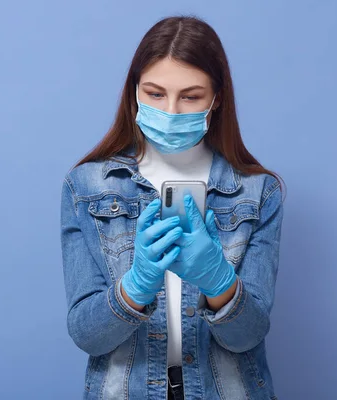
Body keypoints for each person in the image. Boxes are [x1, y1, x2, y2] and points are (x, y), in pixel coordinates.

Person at [60, 15, 285, 400]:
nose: (172, 111)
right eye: (155, 93)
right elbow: (87, 336)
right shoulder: (86, 186)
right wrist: (136, 286)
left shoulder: (258, 191)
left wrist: (219, 282)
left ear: (216, 99)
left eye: (191, 96)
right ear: (134, 93)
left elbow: (248, 336)